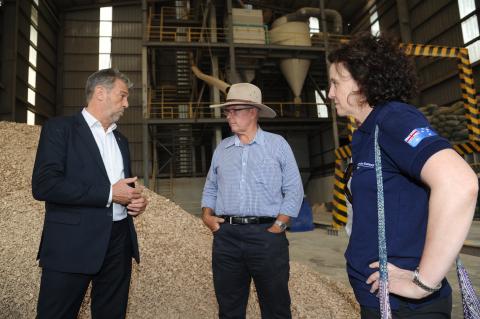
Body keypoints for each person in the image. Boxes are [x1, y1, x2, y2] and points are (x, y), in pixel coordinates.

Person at [327, 32, 478, 318]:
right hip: (382, 298)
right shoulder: (368, 132)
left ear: (364, 82)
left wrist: (423, 282)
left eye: (336, 83)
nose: (331, 93)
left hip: (405, 307)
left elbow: (460, 183)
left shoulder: (393, 119)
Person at [32, 68, 148, 319]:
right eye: (123, 96)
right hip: (71, 243)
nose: (127, 103)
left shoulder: (121, 140)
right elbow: (44, 185)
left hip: (118, 244)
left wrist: (135, 201)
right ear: (100, 93)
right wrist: (109, 193)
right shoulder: (60, 129)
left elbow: (121, 189)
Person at [201, 83, 304, 319]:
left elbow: (294, 190)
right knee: (229, 308)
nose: (229, 116)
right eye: (227, 111)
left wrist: (279, 225)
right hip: (226, 237)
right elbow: (211, 187)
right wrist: (207, 215)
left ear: (254, 111)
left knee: (276, 307)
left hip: (267, 237)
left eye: (235, 110)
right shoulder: (222, 149)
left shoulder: (277, 145)